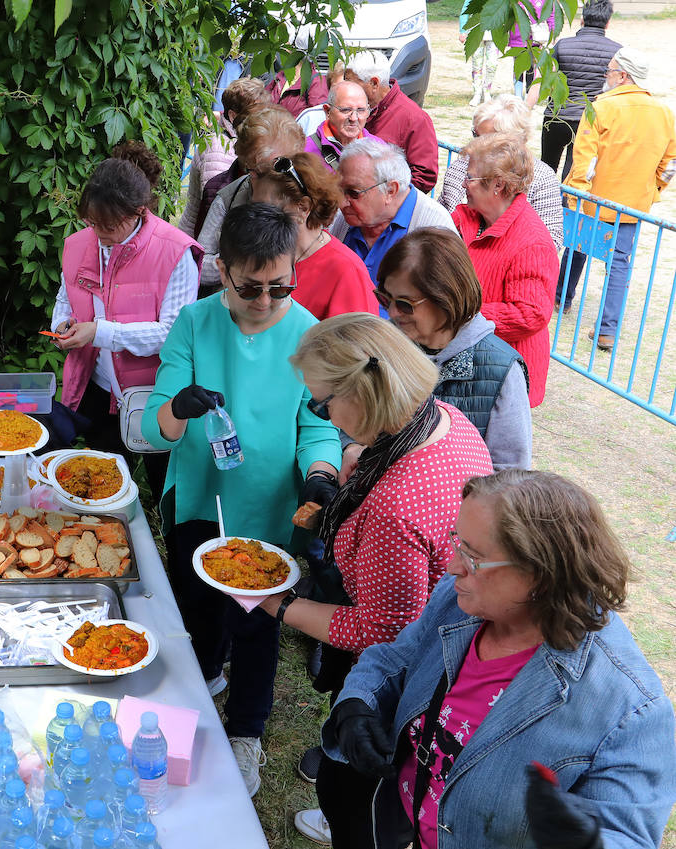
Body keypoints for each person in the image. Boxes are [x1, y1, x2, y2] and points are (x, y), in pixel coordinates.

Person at [310, 470, 676, 849]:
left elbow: (629, 836)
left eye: (474, 557)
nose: (453, 566)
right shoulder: (460, 600)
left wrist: (587, 844)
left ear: (542, 576)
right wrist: (357, 701)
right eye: (458, 543)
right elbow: (399, 657)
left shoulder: (632, 712)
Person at [142, 203, 342, 798]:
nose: (264, 301)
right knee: (198, 607)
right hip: (201, 497)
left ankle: (246, 733)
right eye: (249, 287)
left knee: (258, 625)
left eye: (280, 286)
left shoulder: (307, 332)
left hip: (269, 506)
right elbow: (156, 428)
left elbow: (318, 426)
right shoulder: (194, 324)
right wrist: (178, 408)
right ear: (221, 270)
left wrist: (320, 474)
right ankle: (202, 677)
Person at [266, 314, 493, 841]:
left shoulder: (394, 506)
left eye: (324, 404)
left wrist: (275, 605)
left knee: (357, 800)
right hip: (448, 650)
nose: (325, 417)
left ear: (365, 393)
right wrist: (355, 457)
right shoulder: (446, 421)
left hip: (401, 684)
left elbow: (383, 631)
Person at [52, 157, 201, 493]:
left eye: (109, 225)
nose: (100, 234)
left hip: (155, 392)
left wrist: (100, 332)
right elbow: (66, 295)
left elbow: (173, 334)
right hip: (99, 386)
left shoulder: (174, 253)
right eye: (94, 223)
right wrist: (62, 323)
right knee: (100, 483)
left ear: (138, 212)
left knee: (166, 484)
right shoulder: (79, 244)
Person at [378, 229, 533, 470]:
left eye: (405, 304)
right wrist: (350, 448)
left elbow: (509, 473)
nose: (392, 312)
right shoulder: (382, 344)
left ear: (446, 298)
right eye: (385, 299)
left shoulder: (502, 370)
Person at [558, 48, 676, 352]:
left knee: (576, 247)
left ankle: (561, 298)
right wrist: (652, 191)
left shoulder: (601, 107)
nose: (605, 76)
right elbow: (670, 164)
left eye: (609, 71)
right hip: (633, 206)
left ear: (622, 75)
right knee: (619, 266)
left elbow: (584, 158)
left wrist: (576, 194)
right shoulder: (664, 113)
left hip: (594, 200)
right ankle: (607, 332)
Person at [451, 133, 558, 407]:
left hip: (501, 373)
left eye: (471, 178)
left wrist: (459, 312)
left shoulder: (532, 243)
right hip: (470, 359)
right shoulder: (467, 218)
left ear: (497, 185)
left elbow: (530, 313)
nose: (464, 184)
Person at [249, 152, 379, 319]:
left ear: (303, 207)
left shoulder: (346, 270)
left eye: (265, 209)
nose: (254, 217)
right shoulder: (262, 252)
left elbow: (358, 341)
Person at [193, 106, 308, 293]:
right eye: (255, 171)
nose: (259, 179)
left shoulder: (307, 199)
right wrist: (241, 262)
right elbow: (198, 264)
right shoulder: (229, 197)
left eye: (279, 167)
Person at [437, 96, 564, 250]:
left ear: (511, 144)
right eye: (474, 134)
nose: (474, 144)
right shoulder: (460, 167)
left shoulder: (541, 178)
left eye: (484, 138)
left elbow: (550, 242)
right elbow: (439, 219)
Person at [329, 138, 456, 290]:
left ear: (391, 191)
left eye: (354, 193)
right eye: (339, 190)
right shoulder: (342, 217)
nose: (342, 202)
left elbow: (447, 303)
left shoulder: (434, 226)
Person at [178, 78, 278, 238]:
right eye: (256, 114)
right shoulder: (217, 147)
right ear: (233, 116)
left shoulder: (240, 142)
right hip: (202, 239)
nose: (262, 120)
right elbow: (216, 205)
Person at [536, 0, 622, 178]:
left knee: (545, 171)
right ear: (607, 22)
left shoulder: (562, 45)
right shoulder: (617, 52)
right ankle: (566, 204)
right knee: (573, 175)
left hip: (556, 117)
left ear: (582, 19)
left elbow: (546, 81)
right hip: (588, 121)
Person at [344, 51, 439, 194]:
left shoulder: (414, 118)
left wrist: (383, 196)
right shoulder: (353, 108)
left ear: (374, 83)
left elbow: (424, 177)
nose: (347, 90)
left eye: (352, 85)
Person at [305, 81, 382, 173]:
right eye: (346, 110)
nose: (354, 118)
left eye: (361, 110)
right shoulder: (305, 152)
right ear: (327, 111)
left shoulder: (380, 149)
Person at [460, 5, 500, 107]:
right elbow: (465, 10)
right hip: (477, 32)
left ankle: (486, 90)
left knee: (492, 64)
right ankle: (477, 93)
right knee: (477, 65)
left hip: (495, 32)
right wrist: (463, 31)